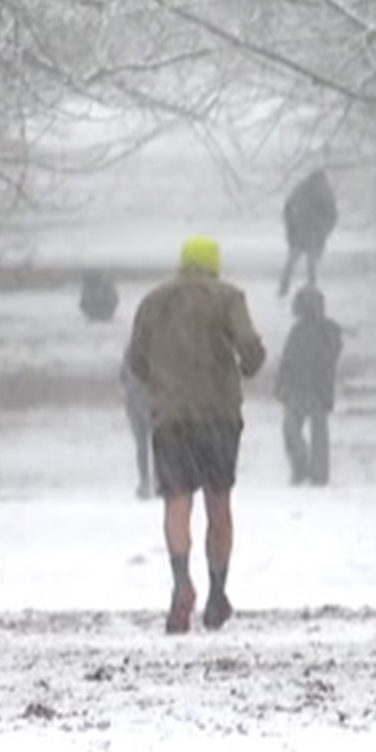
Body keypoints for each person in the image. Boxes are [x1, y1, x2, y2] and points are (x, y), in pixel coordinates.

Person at [125, 235, 265, 634]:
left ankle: (181, 579)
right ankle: (218, 593)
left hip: (172, 418)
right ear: (214, 264)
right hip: (218, 416)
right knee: (219, 503)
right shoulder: (229, 298)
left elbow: (137, 360)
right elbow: (251, 353)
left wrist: (167, 380)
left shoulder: (153, 303)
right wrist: (242, 366)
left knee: (177, 503)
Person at [275, 286, 343, 486]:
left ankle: (310, 470)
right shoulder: (319, 332)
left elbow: (290, 360)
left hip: (311, 389)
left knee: (302, 430)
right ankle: (307, 469)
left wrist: (283, 382)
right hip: (305, 389)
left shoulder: (324, 333)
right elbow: (287, 360)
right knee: (298, 430)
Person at [279, 169, 338, 297]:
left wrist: (291, 227)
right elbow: (332, 214)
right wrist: (325, 230)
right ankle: (311, 291)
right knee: (310, 265)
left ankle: (284, 287)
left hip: (300, 233)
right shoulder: (325, 191)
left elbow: (287, 208)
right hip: (313, 234)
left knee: (292, 262)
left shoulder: (300, 188)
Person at [119, 359, 154, 499]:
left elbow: (123, 378)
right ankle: (149, 481)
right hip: (144, 403)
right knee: (148, 445)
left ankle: (147, 482)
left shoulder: (132, 355)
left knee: (143, 446)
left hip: (138, 402)